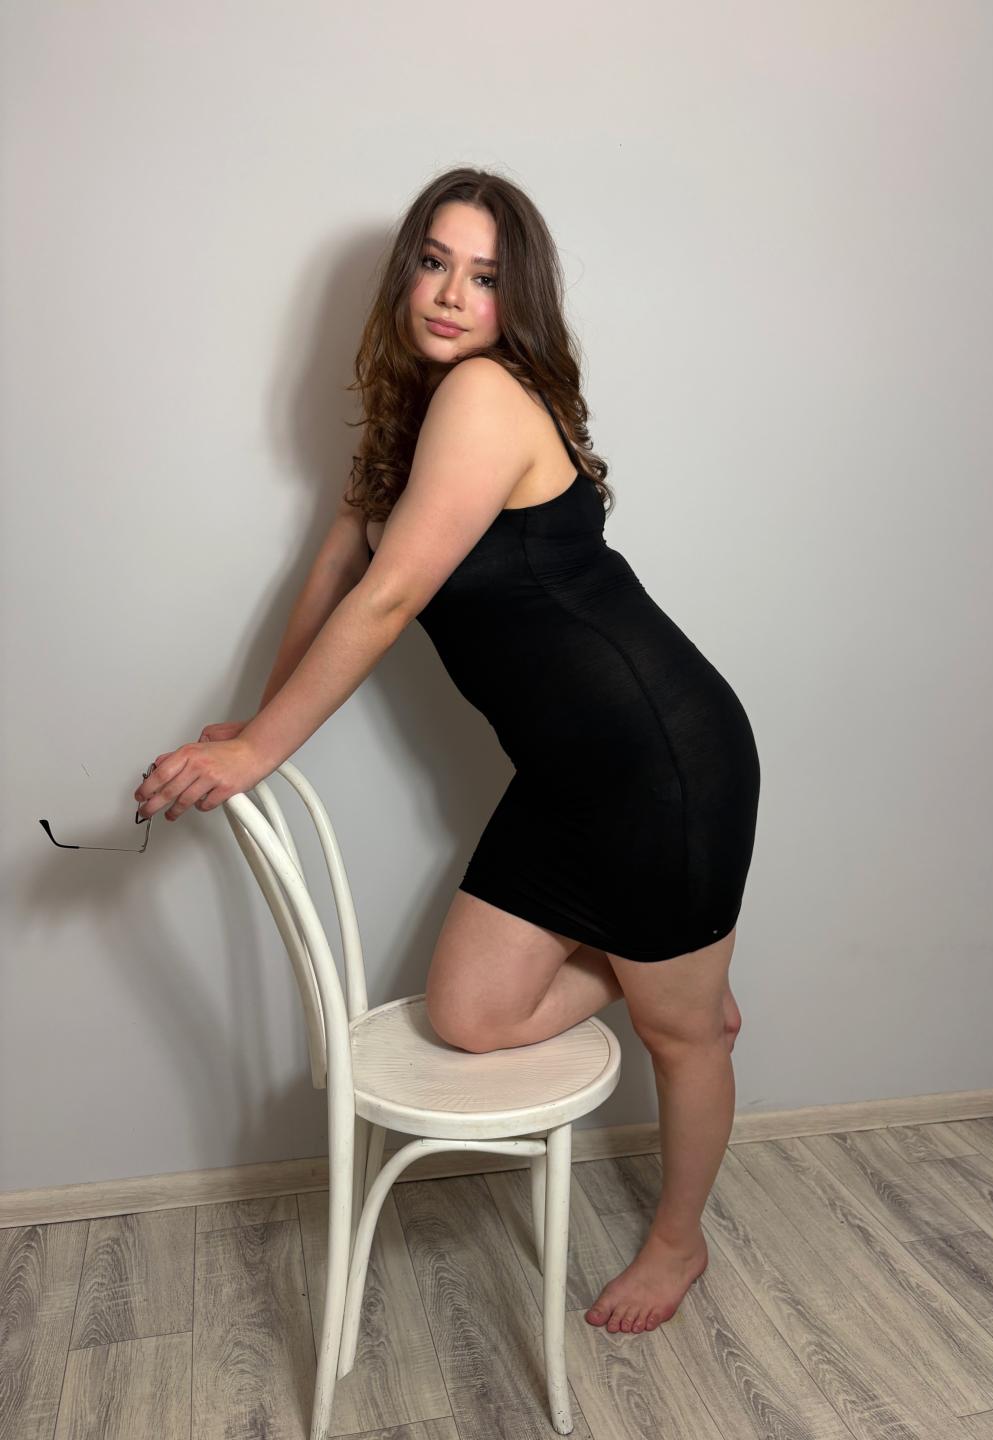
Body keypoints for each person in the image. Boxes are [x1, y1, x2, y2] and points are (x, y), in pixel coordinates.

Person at [134, 166, 761, 1337]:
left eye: (483, 276)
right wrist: (254, 717)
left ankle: (681, 1234)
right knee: (469, 1013)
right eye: (433, 261)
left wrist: (258, 753)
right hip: (565, 779)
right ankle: (672, 972)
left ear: (518, 300)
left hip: (662, 761)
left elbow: (390, 599)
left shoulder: (483, 393)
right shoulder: (413, 411)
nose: (450, 293)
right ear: (406, 273)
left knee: (682, 1034)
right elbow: (340, 568)